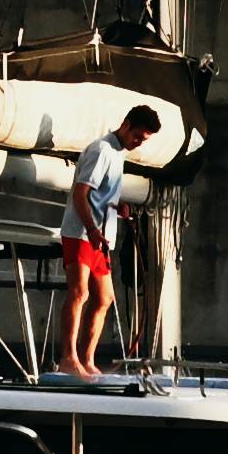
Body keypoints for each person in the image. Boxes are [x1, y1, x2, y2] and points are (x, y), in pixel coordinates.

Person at [59, 112, 142, 376]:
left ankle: (87, 359)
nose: (139, 142)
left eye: (144, 139)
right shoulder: (101, 151)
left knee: (104, 298)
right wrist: (93, 229)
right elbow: (80, 193)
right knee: (79, 292)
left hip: (101, 236)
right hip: (82, 233)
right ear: (125, 125)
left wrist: (118, 207)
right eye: (137, 136)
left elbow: (100, 194)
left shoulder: (119, 153)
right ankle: (68, 358)